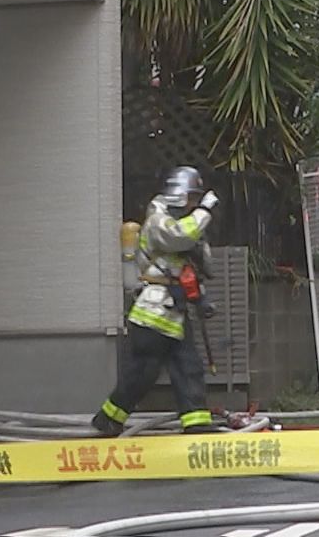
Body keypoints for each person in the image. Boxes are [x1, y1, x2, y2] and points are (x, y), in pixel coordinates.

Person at [92, 166, 219, 436]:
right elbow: (178, 236)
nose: (195, 204)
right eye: (192, 198)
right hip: (152, 314)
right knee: (143, 374)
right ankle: (108, 417)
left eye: (198, 199)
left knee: (189, 369)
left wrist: (200, 250)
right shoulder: (157, 221)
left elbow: (203, 264)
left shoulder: (185, 229)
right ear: (179, 195)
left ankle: (196, 425)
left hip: (175, 314)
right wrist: (204, 212)